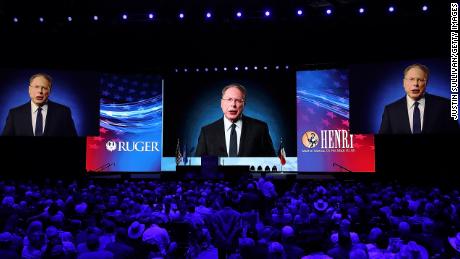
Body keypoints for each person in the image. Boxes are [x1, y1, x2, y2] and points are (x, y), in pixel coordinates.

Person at [195, 83, 275, 157]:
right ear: (221, 103)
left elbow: (272, 163)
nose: (233, 104)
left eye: (238, 100)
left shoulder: (260, 129)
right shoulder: (207, 132)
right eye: (229, 99)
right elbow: (197, 166)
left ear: (244, 104)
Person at [379, 63, 459, 134]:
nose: (415, 84)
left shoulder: (446, 105)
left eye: (420, 80)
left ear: (426, 83)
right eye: (411, 79)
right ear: (404, 83)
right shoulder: (390, 110)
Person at [2, 73, 77, 136]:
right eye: (36, 87)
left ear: (50, 91)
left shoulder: (63, 112)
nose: (40, 91)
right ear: (29, 89)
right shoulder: (14, 114)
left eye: (44, 88)